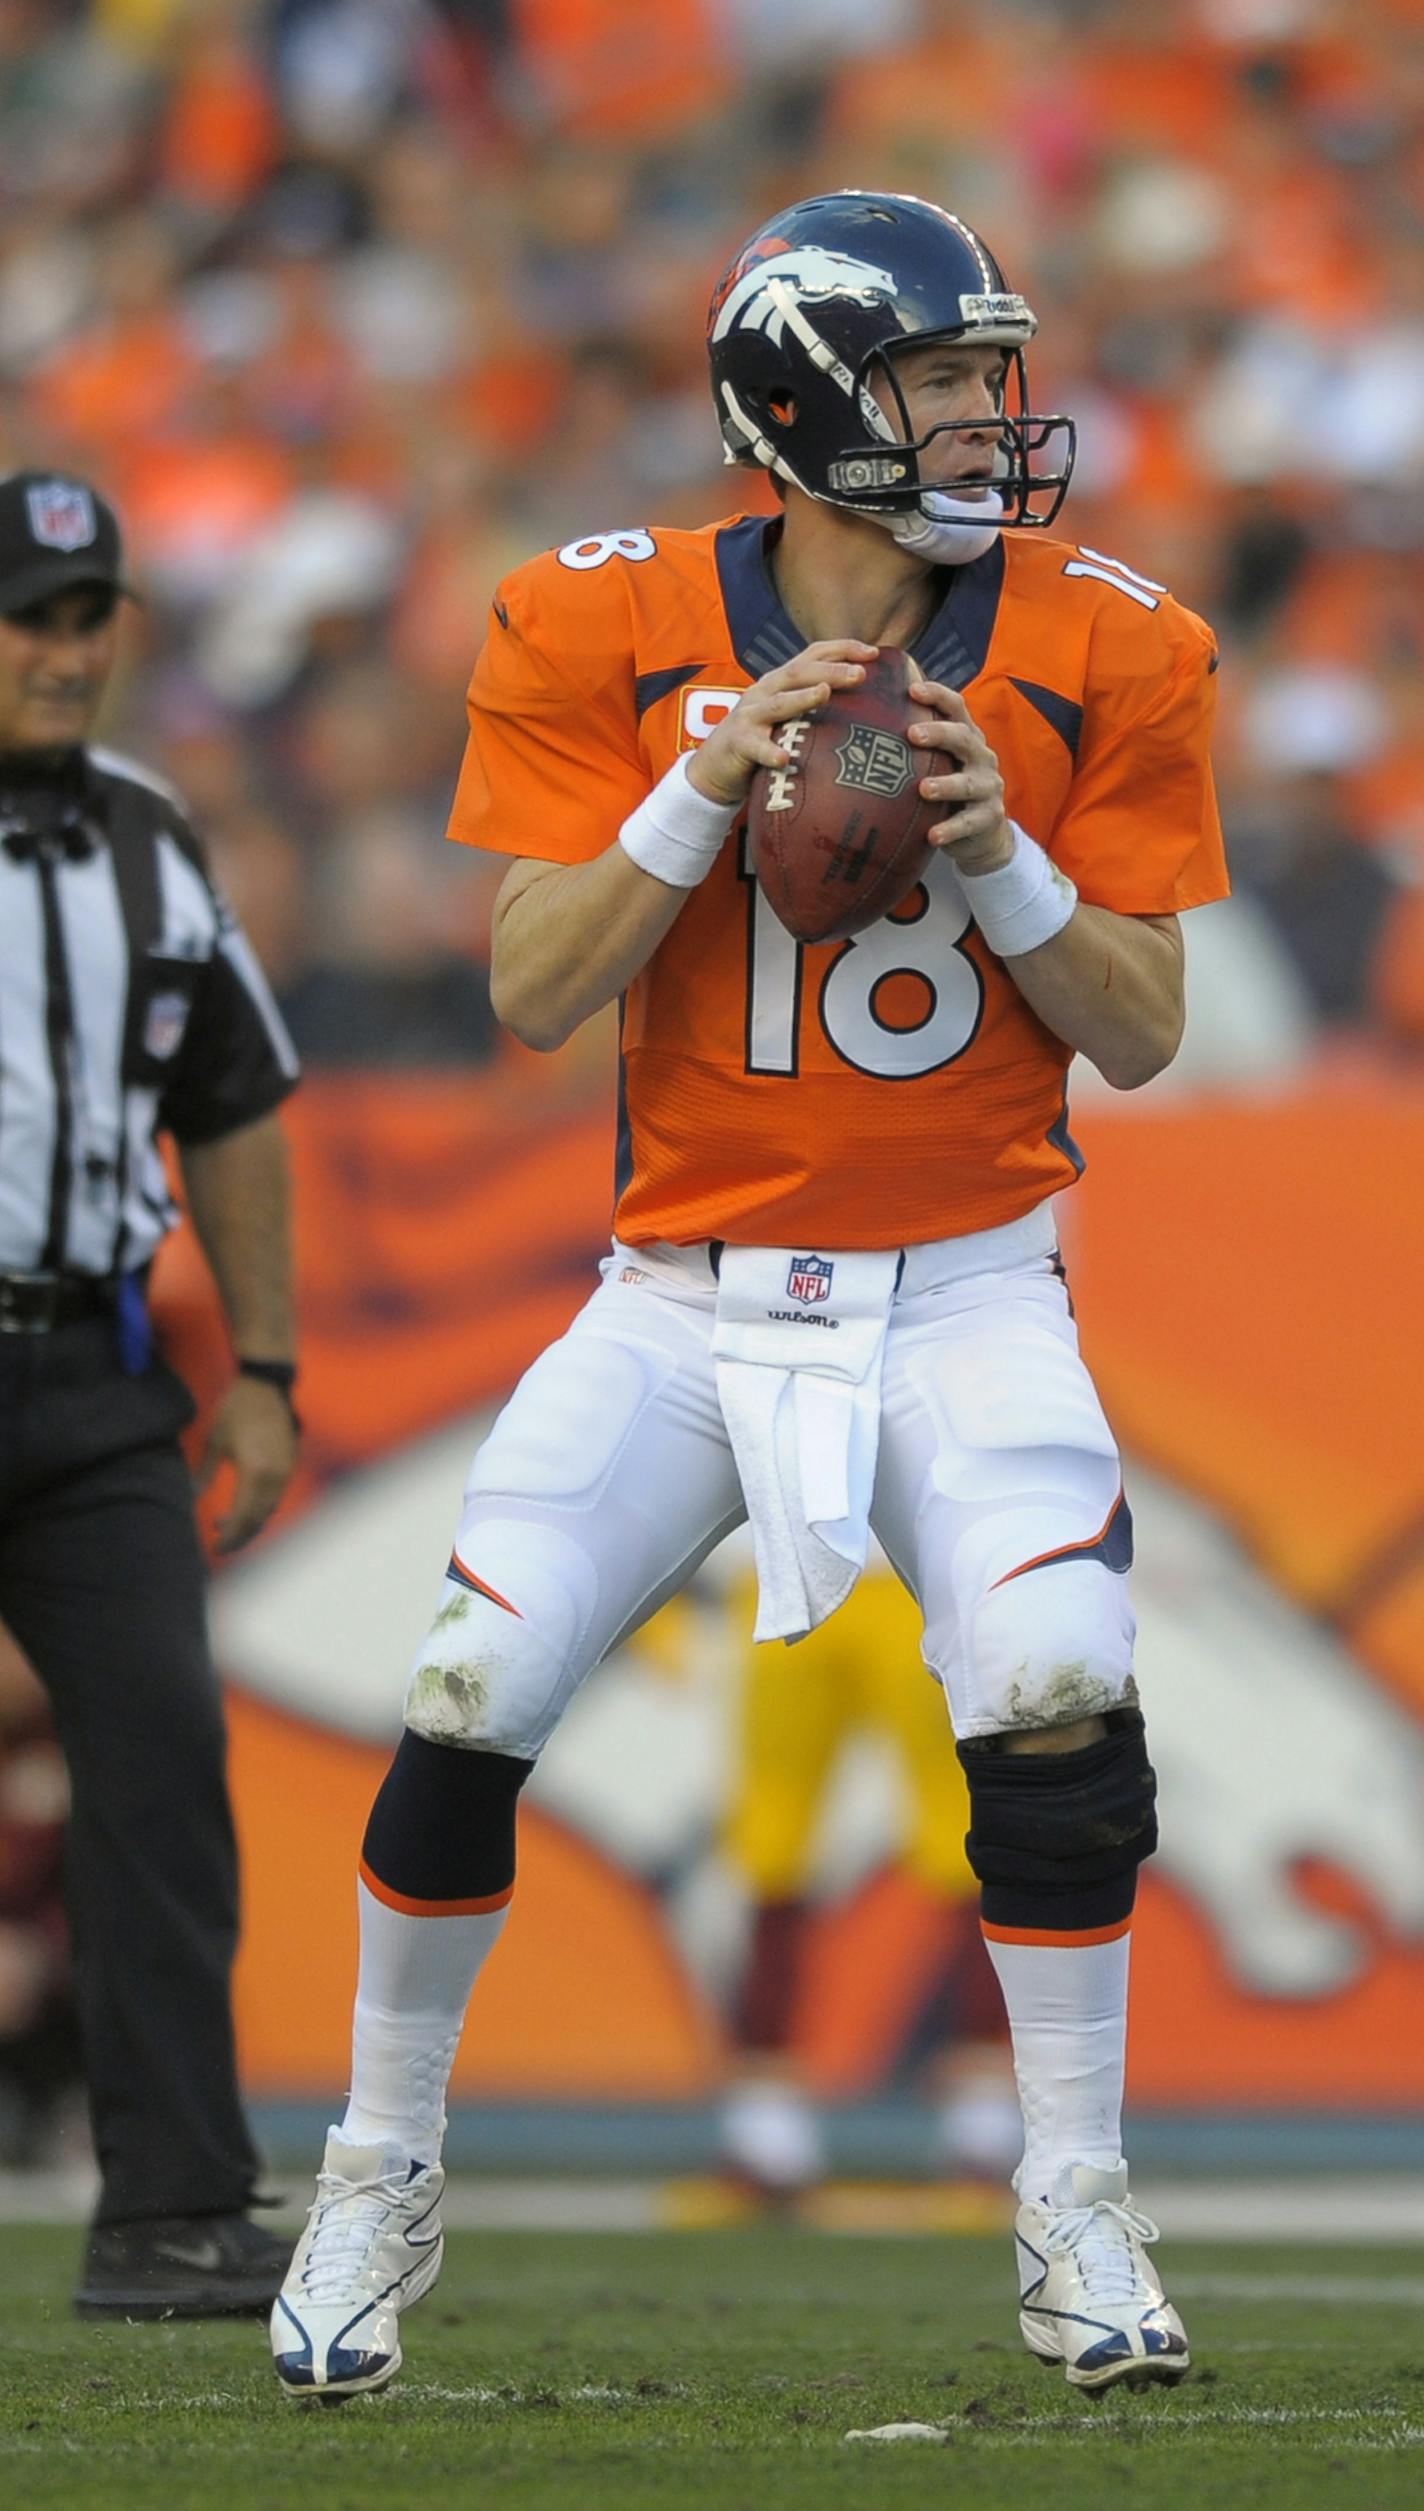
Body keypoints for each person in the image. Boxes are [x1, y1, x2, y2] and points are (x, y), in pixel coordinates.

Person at [272, 191, 1225, 2398]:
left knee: (1061, 1673)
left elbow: (1148, 1026)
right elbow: (528, 992)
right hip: (681, 1295)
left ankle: (1073, 2199)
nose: (993, 415)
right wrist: (699, 788)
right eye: (942, 379)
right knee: (460, 1689)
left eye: (995, 370)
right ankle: (371, 2164)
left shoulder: (1111, 644)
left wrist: (1001, 850)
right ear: (802, 408)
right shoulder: (595, 622)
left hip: (970, 1286)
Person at [0, 469, 302, 2316]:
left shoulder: (147, 835)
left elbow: (239, 1096)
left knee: (161, 1773)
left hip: (91, 1373)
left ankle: (174, 2207)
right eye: (31, 614)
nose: (64, 648)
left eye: (87, 614)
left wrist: (260, 1367)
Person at [718, 1557, 1020, 2203]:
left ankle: (983, 2113)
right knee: (771, 1846)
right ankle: (765, 2116)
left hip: (918, 1576)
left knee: (968, 1839)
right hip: (781, 1574)